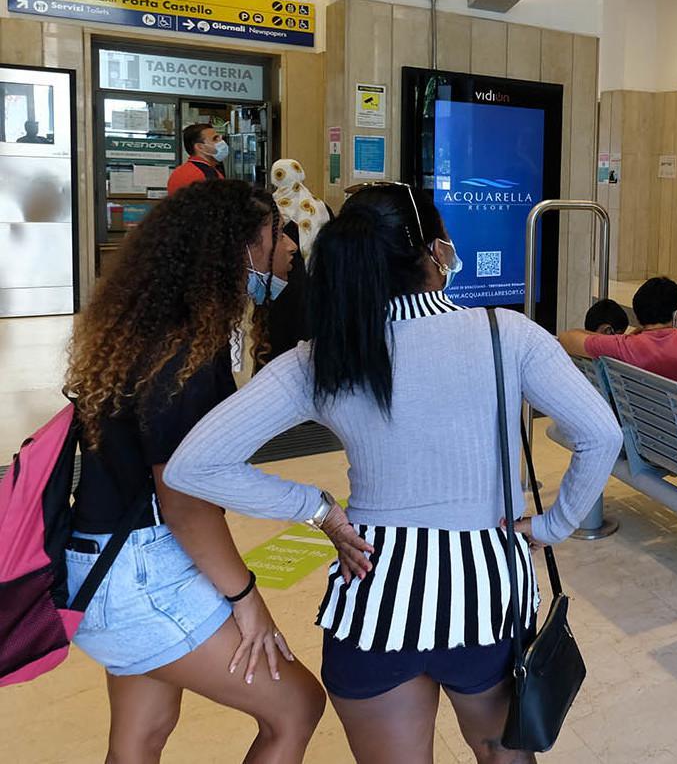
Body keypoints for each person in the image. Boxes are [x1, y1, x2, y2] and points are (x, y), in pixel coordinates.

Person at [165, 183, 621, 764]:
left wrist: (318, 508)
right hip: (485, 599)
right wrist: (552, 527)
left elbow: (193, 465)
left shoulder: (323, 355)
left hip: (374, 600)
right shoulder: (506, 334)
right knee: (503, 754)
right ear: (435, 251)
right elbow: (600, 434)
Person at [61, 180, 318, 762]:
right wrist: (246, 597)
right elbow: (183, 500)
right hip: (138, 573)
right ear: (241, 249)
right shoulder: (186, 355)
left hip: (100, 562)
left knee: (143, 730)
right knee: (296, 705)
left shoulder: (151, 331)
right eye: (279, 234)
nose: (290, 249)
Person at [558, 276, 677, 398]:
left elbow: (567, 338)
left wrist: (627, 336)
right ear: (676, 316)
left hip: (648, 438)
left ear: (637, 315)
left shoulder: (625, 347)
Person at [261, 159, 332, 361]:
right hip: (313, 278)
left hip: (278, 278)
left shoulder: (268, 208)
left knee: (275, 332)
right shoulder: (319, 206)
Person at [166, 123, 229, 195]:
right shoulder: (206, 175)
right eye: (215, 139)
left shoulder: (181, 170)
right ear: (200, 147)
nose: (222, 142)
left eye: (220, 138)